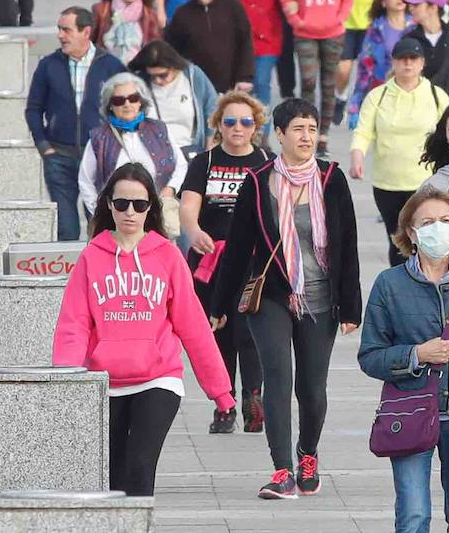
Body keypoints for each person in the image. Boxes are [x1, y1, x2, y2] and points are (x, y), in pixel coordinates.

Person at [53, 162, 234, 497]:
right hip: (103, 382)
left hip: (158, 378)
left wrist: (220, 391)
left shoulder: (167, 256)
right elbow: (73, 325)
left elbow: (192, 325)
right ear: (109, 204)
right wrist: (67, 380)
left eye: (140, 204)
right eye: (121, 203)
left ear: (151, 207)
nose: (130, 212)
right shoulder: (92, 256)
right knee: (113, 478)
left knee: (139, 468)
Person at [211, 98, 361, 500]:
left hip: (319, 296)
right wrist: (219, 306)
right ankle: (281, 470)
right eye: (298, 129)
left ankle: (307, 453)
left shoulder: (331, 178)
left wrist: (351, 304)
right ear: (278, 135)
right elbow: (238, 248)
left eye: (312, 129)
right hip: (272, 296)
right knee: (277, 380)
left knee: (312, 388)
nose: (306, 137)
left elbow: (347, 243)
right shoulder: (258, 181)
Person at [358, 186, 449, 533]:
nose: (438, 228)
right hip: (410, 408)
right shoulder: (389, 284)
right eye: (428, 222)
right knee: (414, 514)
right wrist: (415, 355)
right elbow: (370, 355)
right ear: (411, 232)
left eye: (445, 220)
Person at [179, 91, 271, 435]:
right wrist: (194, 231)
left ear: (255, 126)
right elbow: (188, 206)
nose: (237, 128)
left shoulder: (265, 160)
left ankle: (253, 398)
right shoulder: (204, 162)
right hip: (211, 260)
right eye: (229, 121)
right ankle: (224, 403)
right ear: (218, 125)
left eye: (245, 122)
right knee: (217, 334)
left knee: (248, 331)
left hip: (253, 262)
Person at [25, 7, 127, 240]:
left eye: (67, 30)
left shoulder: (110, 65)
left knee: (101, 226)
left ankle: (99, 274)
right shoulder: (48, 65)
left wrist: (116, 145)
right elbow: (33, 109)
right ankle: (69, 276)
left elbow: (128, 107)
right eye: (59, 29)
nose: (61, 35)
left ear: (86, 32)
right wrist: (43, 146)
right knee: (66, 229)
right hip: (59, 157)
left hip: (100, 158)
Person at [350, 37, 449, 266]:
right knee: (398, 242)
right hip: (388, 184)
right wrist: (357, 155)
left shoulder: (437, 96)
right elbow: (363, 131)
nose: (408, 64)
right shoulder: (378, 96)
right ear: (393, 62)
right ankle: (399, 293)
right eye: (402, 59)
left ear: (422, 63)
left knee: (428, 241)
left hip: (427, 183)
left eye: (413, 59)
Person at [78, 72, 188, 218]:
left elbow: (181, 165)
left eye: (133, 98)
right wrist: (100, 213)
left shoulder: (159, 129)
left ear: (140, 101)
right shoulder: (99, 137)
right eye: (118, 100)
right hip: (116, 222)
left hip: (157, 217)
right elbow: (85, 181)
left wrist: (170, 189)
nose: (127, 104)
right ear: (110, 105)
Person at [282, 0, 353, 142]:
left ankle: (323, 133)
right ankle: (307, 127)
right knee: (309, 81)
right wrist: (296, 20)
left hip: (333, 31)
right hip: (305, 33)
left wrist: (340, 17)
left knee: (329, 82)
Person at [164, 0, 255, 93]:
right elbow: (173, 51)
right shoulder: (182, 13)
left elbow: (245, 42)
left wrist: (245, 77)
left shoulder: (232, 6)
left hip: (233, 86)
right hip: (198, 88)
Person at [128, 39, 218, 159]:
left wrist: (209, 149)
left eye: (162, 75)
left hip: (190, 152)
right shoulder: (139, 82)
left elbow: (212, 109)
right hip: (153, 154)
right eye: (152, 76)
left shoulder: (193, 76)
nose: (157, 81)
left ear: (175, 66)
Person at [347, 0, 411, 128]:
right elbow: (364, 70)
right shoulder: (376, 30)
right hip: (384, 95)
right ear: (383, 1)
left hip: (412, 95)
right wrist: (355, 106)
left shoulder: (416, 27)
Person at [92, 0, 161, 64]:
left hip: (137, 65)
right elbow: (90, 40)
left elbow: (155, 45)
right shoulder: (101, 10)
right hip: (105, 63)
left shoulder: (149, 15)